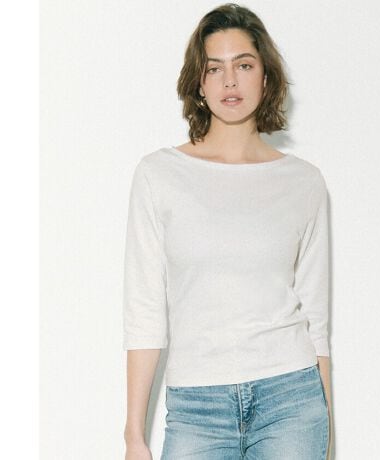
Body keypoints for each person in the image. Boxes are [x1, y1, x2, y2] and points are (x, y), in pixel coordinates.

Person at [123, 3, 333, 459]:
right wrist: (134, 435)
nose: (230, 81)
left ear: (266, 77)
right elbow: (144, 311)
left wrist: (327, 430)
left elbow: (315, 317)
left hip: (291, 400)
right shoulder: (160, 175)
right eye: (214, 68)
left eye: (244, 65)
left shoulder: (304, 182)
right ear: (199, 83)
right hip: (197, 407)